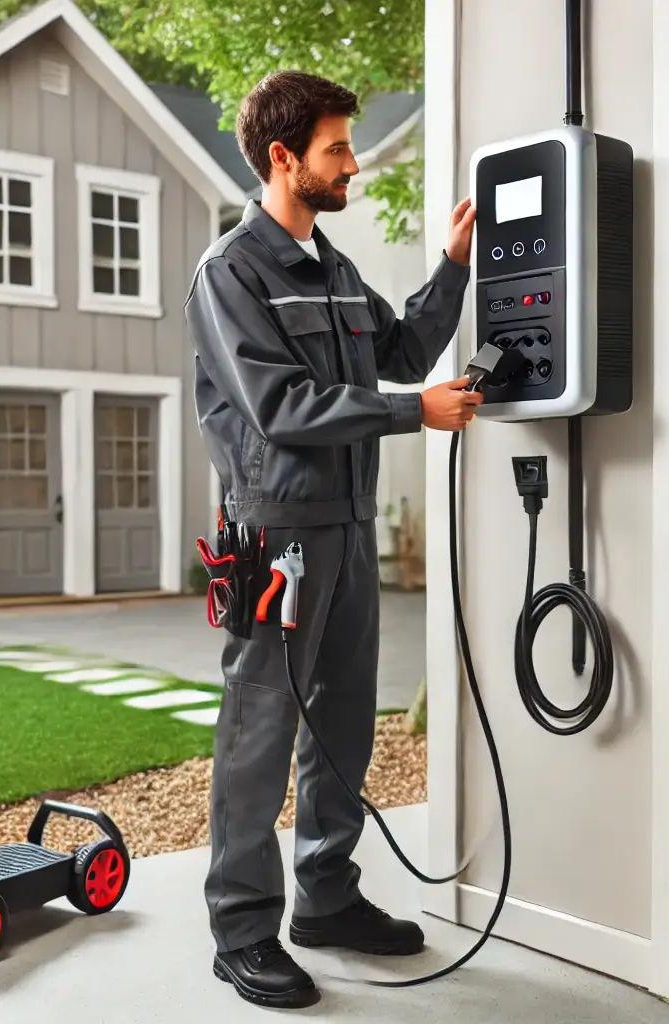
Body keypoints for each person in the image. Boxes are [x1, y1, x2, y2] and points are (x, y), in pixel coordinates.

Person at [183, 69, 482, 1010]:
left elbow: (398, 355)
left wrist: (456, 266)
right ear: (284, 158)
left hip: (346, 527)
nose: (351, 163)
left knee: (346, 723)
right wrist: (412, 414)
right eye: (337, 149)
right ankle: (240, 934)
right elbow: (280, 406)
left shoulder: (337, 270)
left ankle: (327, 900)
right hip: (277, 535)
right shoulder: (230, 273)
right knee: (261, 730)